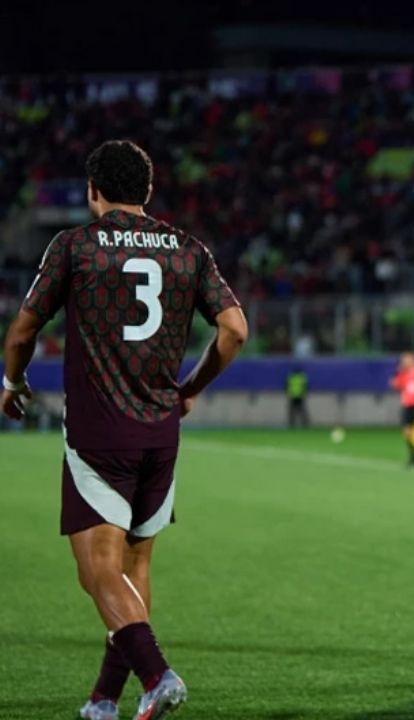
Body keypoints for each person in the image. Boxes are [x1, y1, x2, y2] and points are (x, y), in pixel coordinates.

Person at [1, 139, 246, 720]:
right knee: (134, 573)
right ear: (149, 191)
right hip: (161, 432)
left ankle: (157, 675)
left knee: (97, 573)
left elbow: (20, 334)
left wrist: (12, 382)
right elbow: (234, 330)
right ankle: (104, 700)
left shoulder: (76, 246)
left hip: (98, 432)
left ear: (93, 191)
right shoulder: (188, 249)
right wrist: (190, 389)